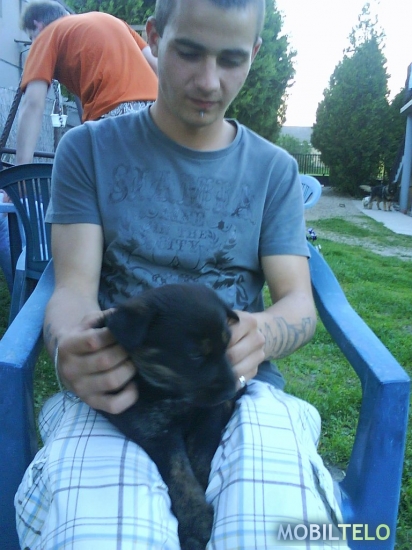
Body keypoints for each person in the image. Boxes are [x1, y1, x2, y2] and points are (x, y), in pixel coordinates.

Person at [15, 0, 349, 548]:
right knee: (104, 534)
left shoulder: (274, 170)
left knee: (276, 530)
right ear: (153, 37)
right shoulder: (89, 150)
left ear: (254, 54)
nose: (209, 81)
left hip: (239, 391)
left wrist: (262, 331)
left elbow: (298, 303)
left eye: (231, 59)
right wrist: (69, 347)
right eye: (189, 52)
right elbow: (72, 287)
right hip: (120, 392)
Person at [15, 0, 158, 165]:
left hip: (114, 114)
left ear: (38, 25)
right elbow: (157, 65)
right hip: (156, 112)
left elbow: (33, 104)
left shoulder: (46, 35)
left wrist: (21, 170)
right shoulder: (111, 21)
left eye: (31, 37)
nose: (33, 43)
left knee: (80, 168)